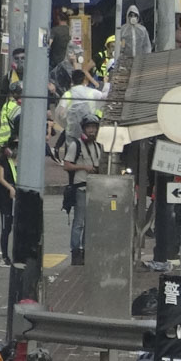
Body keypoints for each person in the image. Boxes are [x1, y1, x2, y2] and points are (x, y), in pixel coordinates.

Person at [63, 113, 101, 266]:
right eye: (89, 128)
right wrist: (84, 167)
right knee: (79, 222)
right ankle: (75, 252)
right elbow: (66, 165)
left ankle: (86, 250)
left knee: (90, 222)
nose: (91, 131)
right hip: (81, 188)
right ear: (84, 129)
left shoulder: (98, 146)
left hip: (95, 188)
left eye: (94, 128)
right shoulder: (76, 145)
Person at [0, 121, 16, 268]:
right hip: (5, 199)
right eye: (13, 146)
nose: (15, 149)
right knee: (5, 228)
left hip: (17, 199)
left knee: (18, 227)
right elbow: (1, 178)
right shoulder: (3, 160)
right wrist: (10, 188)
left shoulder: (18, 161)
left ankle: (18, 255)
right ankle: (4, 257)